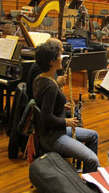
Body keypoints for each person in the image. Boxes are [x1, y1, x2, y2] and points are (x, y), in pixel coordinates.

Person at [33, 42, 99, 173]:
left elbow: (44, 104)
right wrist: (66, 121)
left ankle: (88, 179)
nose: (61, 58)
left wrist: (61, 105)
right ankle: (89, 189)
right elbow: (46, 118)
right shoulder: (50, 86)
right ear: (52, 62)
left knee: (94, 136)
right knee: (93, 159)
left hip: (54, 131)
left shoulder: (39, 78)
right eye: (59, 56)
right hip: (53, 137)